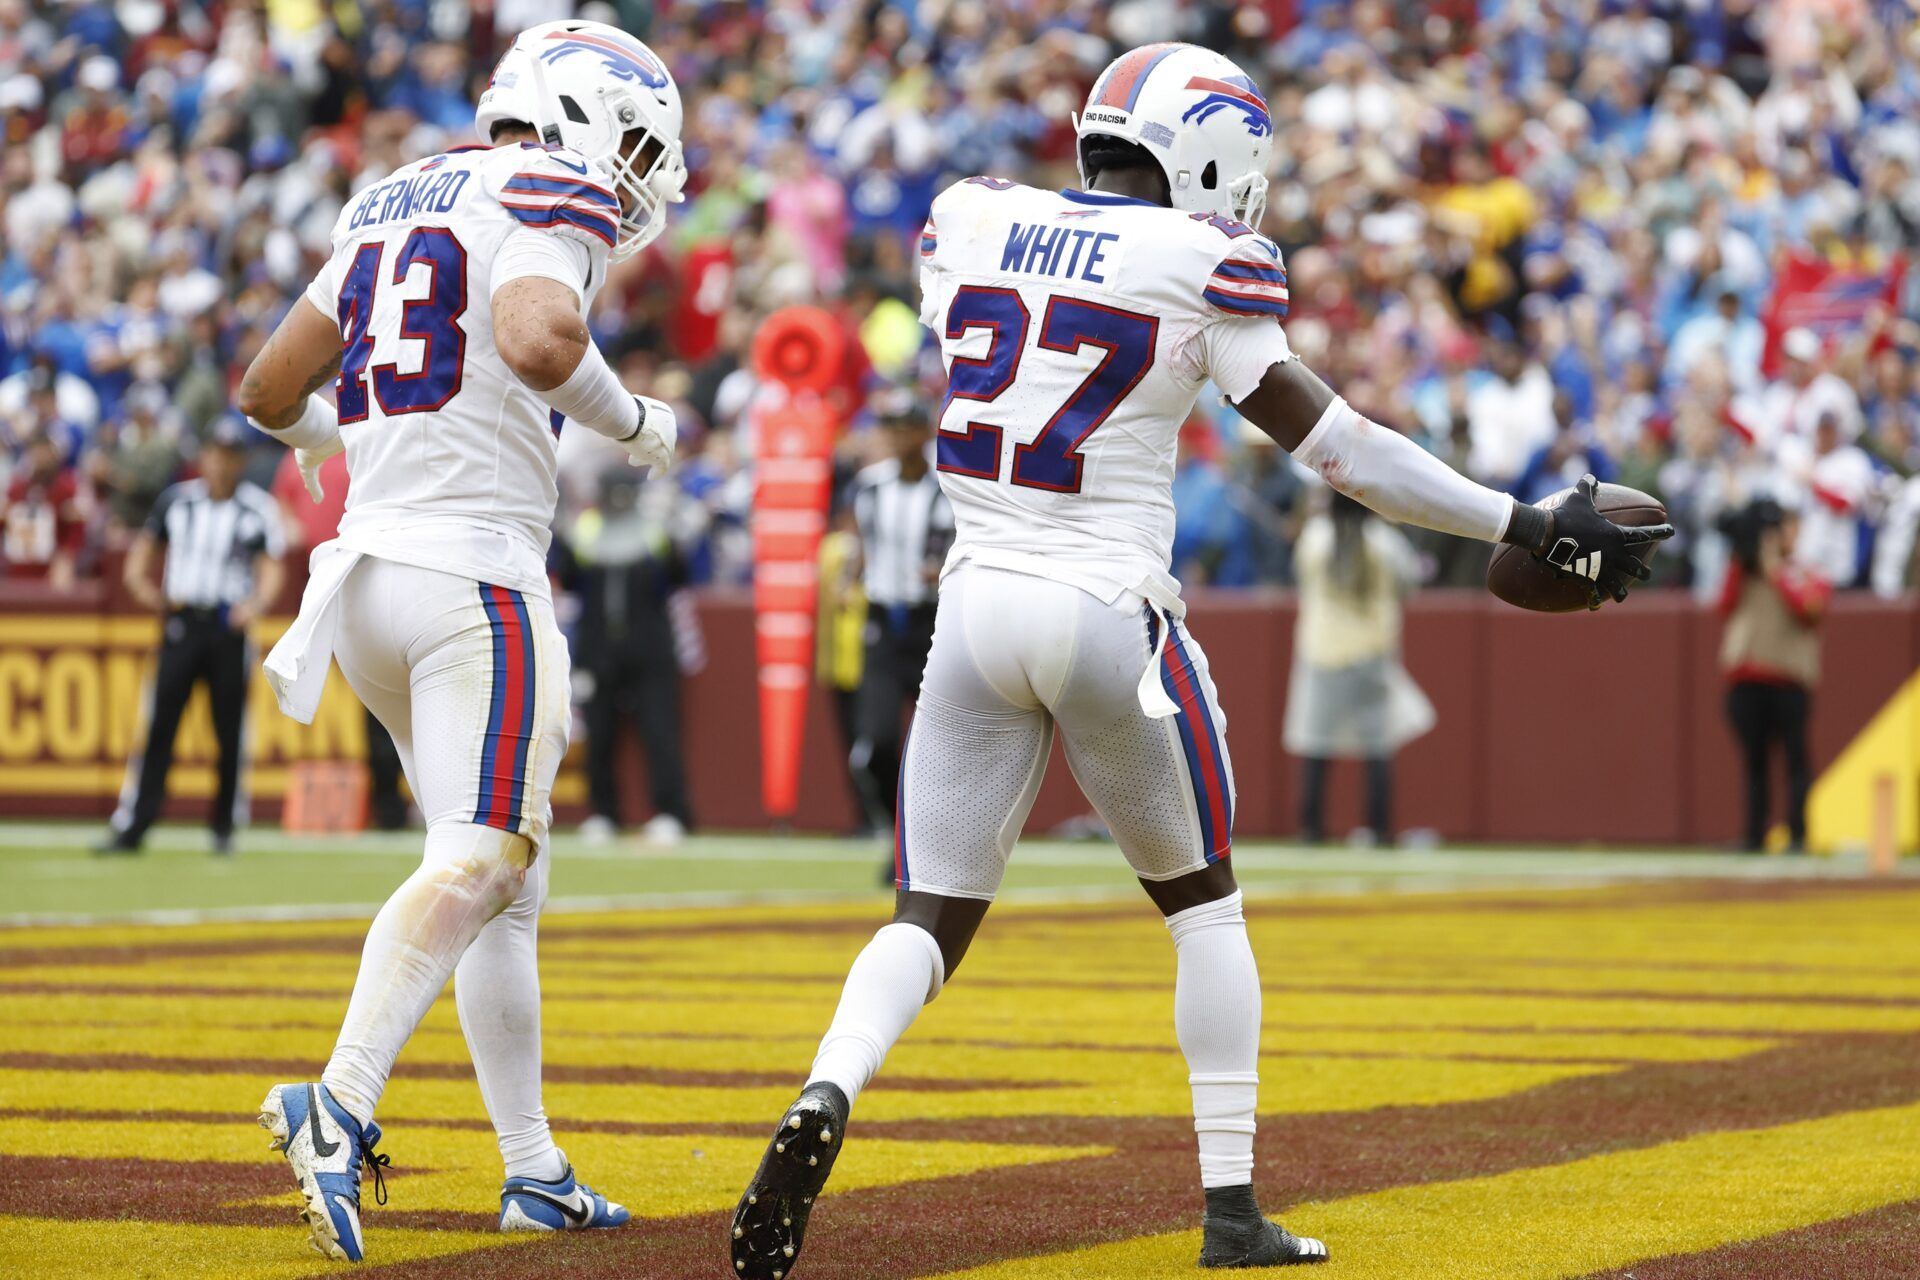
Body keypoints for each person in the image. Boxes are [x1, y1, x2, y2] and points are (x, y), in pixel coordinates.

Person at [731, 43, 1669, 1279]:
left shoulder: (971, 217)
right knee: (1203, 905)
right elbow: (1341, 449)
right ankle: (1232, 1210)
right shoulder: (1200, 260)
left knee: (927, 915)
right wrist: (1520, 521)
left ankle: (826, 1089)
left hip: (971, 608)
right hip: (1106, 608)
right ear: (1216, 154)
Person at [234, 20, 686, 1262]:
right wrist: (637, 419)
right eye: (633, 140)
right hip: (474, 580)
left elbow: (267, 391)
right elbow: (543, 341)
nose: (638, 171)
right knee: (488, 855)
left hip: (367, 578)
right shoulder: (551, 183)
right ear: (577, 115)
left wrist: (336, 440)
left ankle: (534, 1169)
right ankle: (342, 1098)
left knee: (507, 891)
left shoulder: (388, 195)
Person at [96, 421, 285, 855]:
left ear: (242, 460)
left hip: (225, 628)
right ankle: (135, 823)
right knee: (159, 725)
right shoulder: (177, 502)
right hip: (181, 624)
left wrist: (253, 606)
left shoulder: (256, 509)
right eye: (216, 452)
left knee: (229, 730)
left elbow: (270, 567)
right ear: (204, 455)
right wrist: (143, 587)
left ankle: (223, 827)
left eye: (231, 454)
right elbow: (143, 550)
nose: (222, 462)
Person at [557, 467, 695, 844]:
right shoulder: (585, 530)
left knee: (660, 732)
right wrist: (563, 532)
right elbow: (568, 578)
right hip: (598, 648)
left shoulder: (653, 531)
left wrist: (674, 534)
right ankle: (603, 813)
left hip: (651, 648)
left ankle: (671, 812)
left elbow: (679, 578)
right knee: (599, 734)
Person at [1285, 491, 1431, 846]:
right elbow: (1407, 585)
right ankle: (1380, 829)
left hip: (1321, 648)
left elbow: (1299, 575)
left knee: (1317, 744)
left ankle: (1311, 829)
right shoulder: (1385, 541)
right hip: (1372, 649)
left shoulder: (1314, 537)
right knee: (1377, 745)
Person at [847, 393, 952, 845]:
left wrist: (942, 567)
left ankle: (935, 835)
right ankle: (897, 830)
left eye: (905, 426)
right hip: (884, 620)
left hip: (933, 619)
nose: (896, 436)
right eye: (889, 427)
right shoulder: (871, 486)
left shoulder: (948, 484)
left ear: (924, 431)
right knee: (876, 739)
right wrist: (849, 574)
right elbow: (859, 539)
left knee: (943, 743)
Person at [1717, 499, 1827, 852]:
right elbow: (1724, 604)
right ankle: (1754, 835)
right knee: (1754, 762)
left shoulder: (1809, 572)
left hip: (1790, 679)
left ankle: (1798, 835)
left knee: (1796, 760)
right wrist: (1742, 557)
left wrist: (1776, 570)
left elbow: (1809, 611)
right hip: (1747, 678)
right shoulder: (1744, 569)